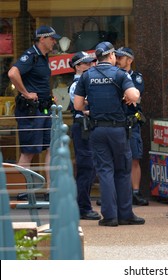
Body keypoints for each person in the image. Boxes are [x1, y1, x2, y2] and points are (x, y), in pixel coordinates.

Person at [73, 41, 145, 227]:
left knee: (105, 171)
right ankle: (125, 214)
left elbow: (78, 106)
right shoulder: (120, 75)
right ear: (111, 55)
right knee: (122, 171)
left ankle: (110, 216)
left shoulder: (87, 76)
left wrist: (93, 105)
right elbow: (135, 96)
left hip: (97, 129)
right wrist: (129, 94)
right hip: (118, 130)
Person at [8, 26, 60, 190]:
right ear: (42, 39)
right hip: (31, 111)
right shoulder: (31, 56)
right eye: (52, 38)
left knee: (51, 148)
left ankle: (50, 190)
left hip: (44, 108)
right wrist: (25, 93)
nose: (54, 41)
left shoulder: (43, 57)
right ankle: (22, 192)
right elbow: (12, 73)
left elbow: (41, 81)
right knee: (28, 153)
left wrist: (50, 96)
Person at [68, 51, 101, 220]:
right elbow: (80, 106)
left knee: (90, 167)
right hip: (82, 126)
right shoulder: (76, 85)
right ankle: (83, 207)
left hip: (88, 126)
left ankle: (84, 205)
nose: (91, 66)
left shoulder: (87, 82)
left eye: (92, 63)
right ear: (78, 66)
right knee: (86, 167)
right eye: (87, 63)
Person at [115, 47, 149, 206]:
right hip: (116, 121)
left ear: (129, 60)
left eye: (121, 57)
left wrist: (126, 96)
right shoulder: (112, 74)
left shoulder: (137, 77)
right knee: (115, 159)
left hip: (132, 122)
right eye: (116, 56)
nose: (117, 59)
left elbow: (136, 94)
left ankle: (135, 192)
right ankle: (114, 193)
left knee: (135, 158)